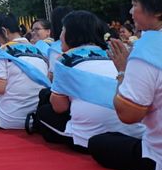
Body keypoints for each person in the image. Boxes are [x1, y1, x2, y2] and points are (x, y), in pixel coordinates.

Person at [89, 0, 162, 170]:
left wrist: (122, 71)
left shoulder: (148, 50)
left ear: (156, 10)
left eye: (135, 4)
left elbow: (128, 115)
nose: (131, 11)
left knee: (100, 143)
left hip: (157, 157)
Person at [35, 11, 143, 151]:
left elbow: (59, 107)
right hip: (134, 131)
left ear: (72, 34)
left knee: (45, 111)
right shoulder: (113, 55)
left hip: (88, 137)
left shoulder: (65, 60)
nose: (60, 36)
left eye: (63, 30)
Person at [0, 13, 49, 129]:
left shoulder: (3, 51)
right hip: (36, 116)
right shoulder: (39, 50)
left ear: (4, 31)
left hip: (11, 118)